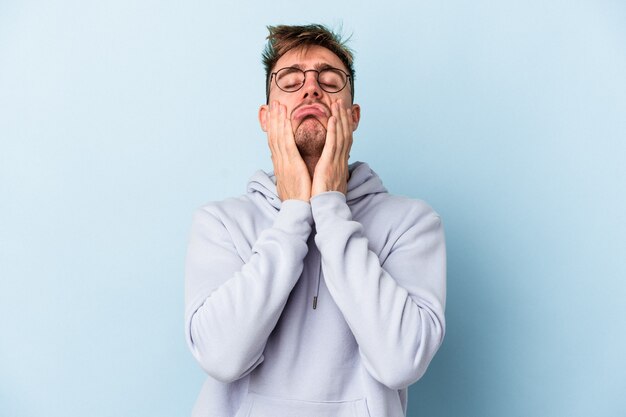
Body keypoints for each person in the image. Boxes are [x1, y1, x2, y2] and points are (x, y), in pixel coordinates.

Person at [184, 24, 446, 417]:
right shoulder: (221, 222)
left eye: (329, 79)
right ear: (266, 117)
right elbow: (222, 358)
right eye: (290, 81)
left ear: (353, 117)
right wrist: (293, 216)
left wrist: (329, 207)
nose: (311, 89)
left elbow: (400, 362)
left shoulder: (411, 222)